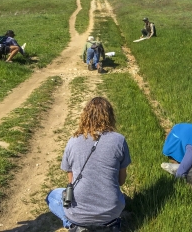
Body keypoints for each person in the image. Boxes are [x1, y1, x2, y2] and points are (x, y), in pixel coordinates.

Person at [46, 97, 131, 232]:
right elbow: (121, 181)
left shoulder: (72, 141)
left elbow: (71, 181)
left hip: (78, 213)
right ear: (110, 116)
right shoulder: (119, 140)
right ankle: (108, 225)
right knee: (118, 197)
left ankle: (74, 225)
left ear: (85, 116)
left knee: (52, 196)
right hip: (111, 211)